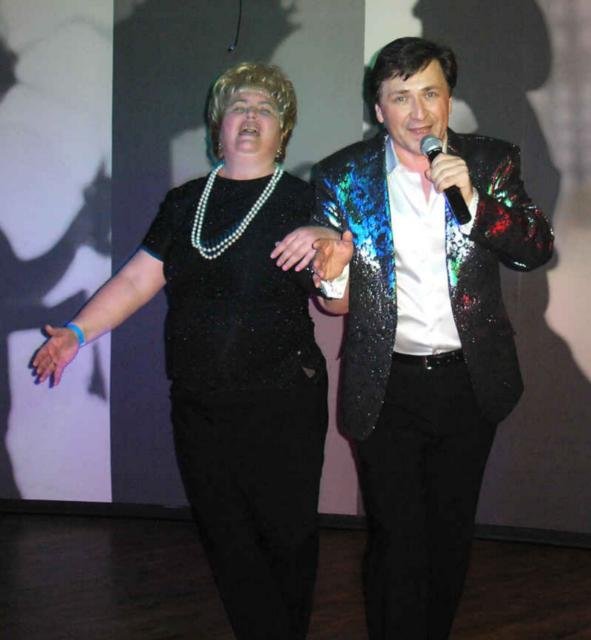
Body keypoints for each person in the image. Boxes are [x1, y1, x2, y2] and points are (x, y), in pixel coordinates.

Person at [32, 62, 330, 640]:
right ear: (219, 126)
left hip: (283, 401)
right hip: (200, 403)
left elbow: (338, 298)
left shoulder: (308, 202)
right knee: (227, 537)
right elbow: (136, 280)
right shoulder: (184, 202)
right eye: (239, 107)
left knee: (288, 536)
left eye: (265, 109)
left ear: (283, 131)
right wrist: (76, 333)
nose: (251, 116)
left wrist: (330, 240)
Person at [274, 37, 554, 640]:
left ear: (449, 99)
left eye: (430, 93)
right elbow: (334, 299)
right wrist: (333, 270)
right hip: (387, 384)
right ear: (379, 109)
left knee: (449, 537)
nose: (418, 111)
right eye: (401, 97)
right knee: (396, 538)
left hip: (470, 380)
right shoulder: (343, 174)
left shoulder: (490, 161)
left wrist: (474, 200)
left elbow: (535, 251)